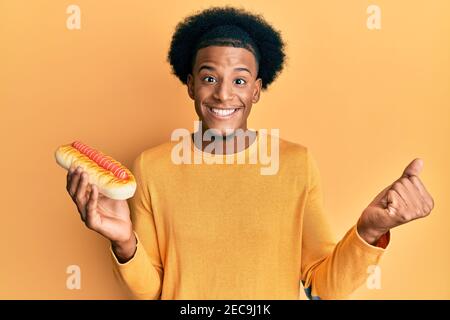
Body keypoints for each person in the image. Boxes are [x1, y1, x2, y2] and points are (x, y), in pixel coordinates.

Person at [65, 6, 434, 299]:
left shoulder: (296, 165)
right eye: (209, 78)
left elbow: (323, 288)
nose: (224, 94)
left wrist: (370, 232)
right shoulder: (152, 167)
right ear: (191, 85)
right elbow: (153, 291)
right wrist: (124, 241)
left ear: (256, 90)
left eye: (239, 80)